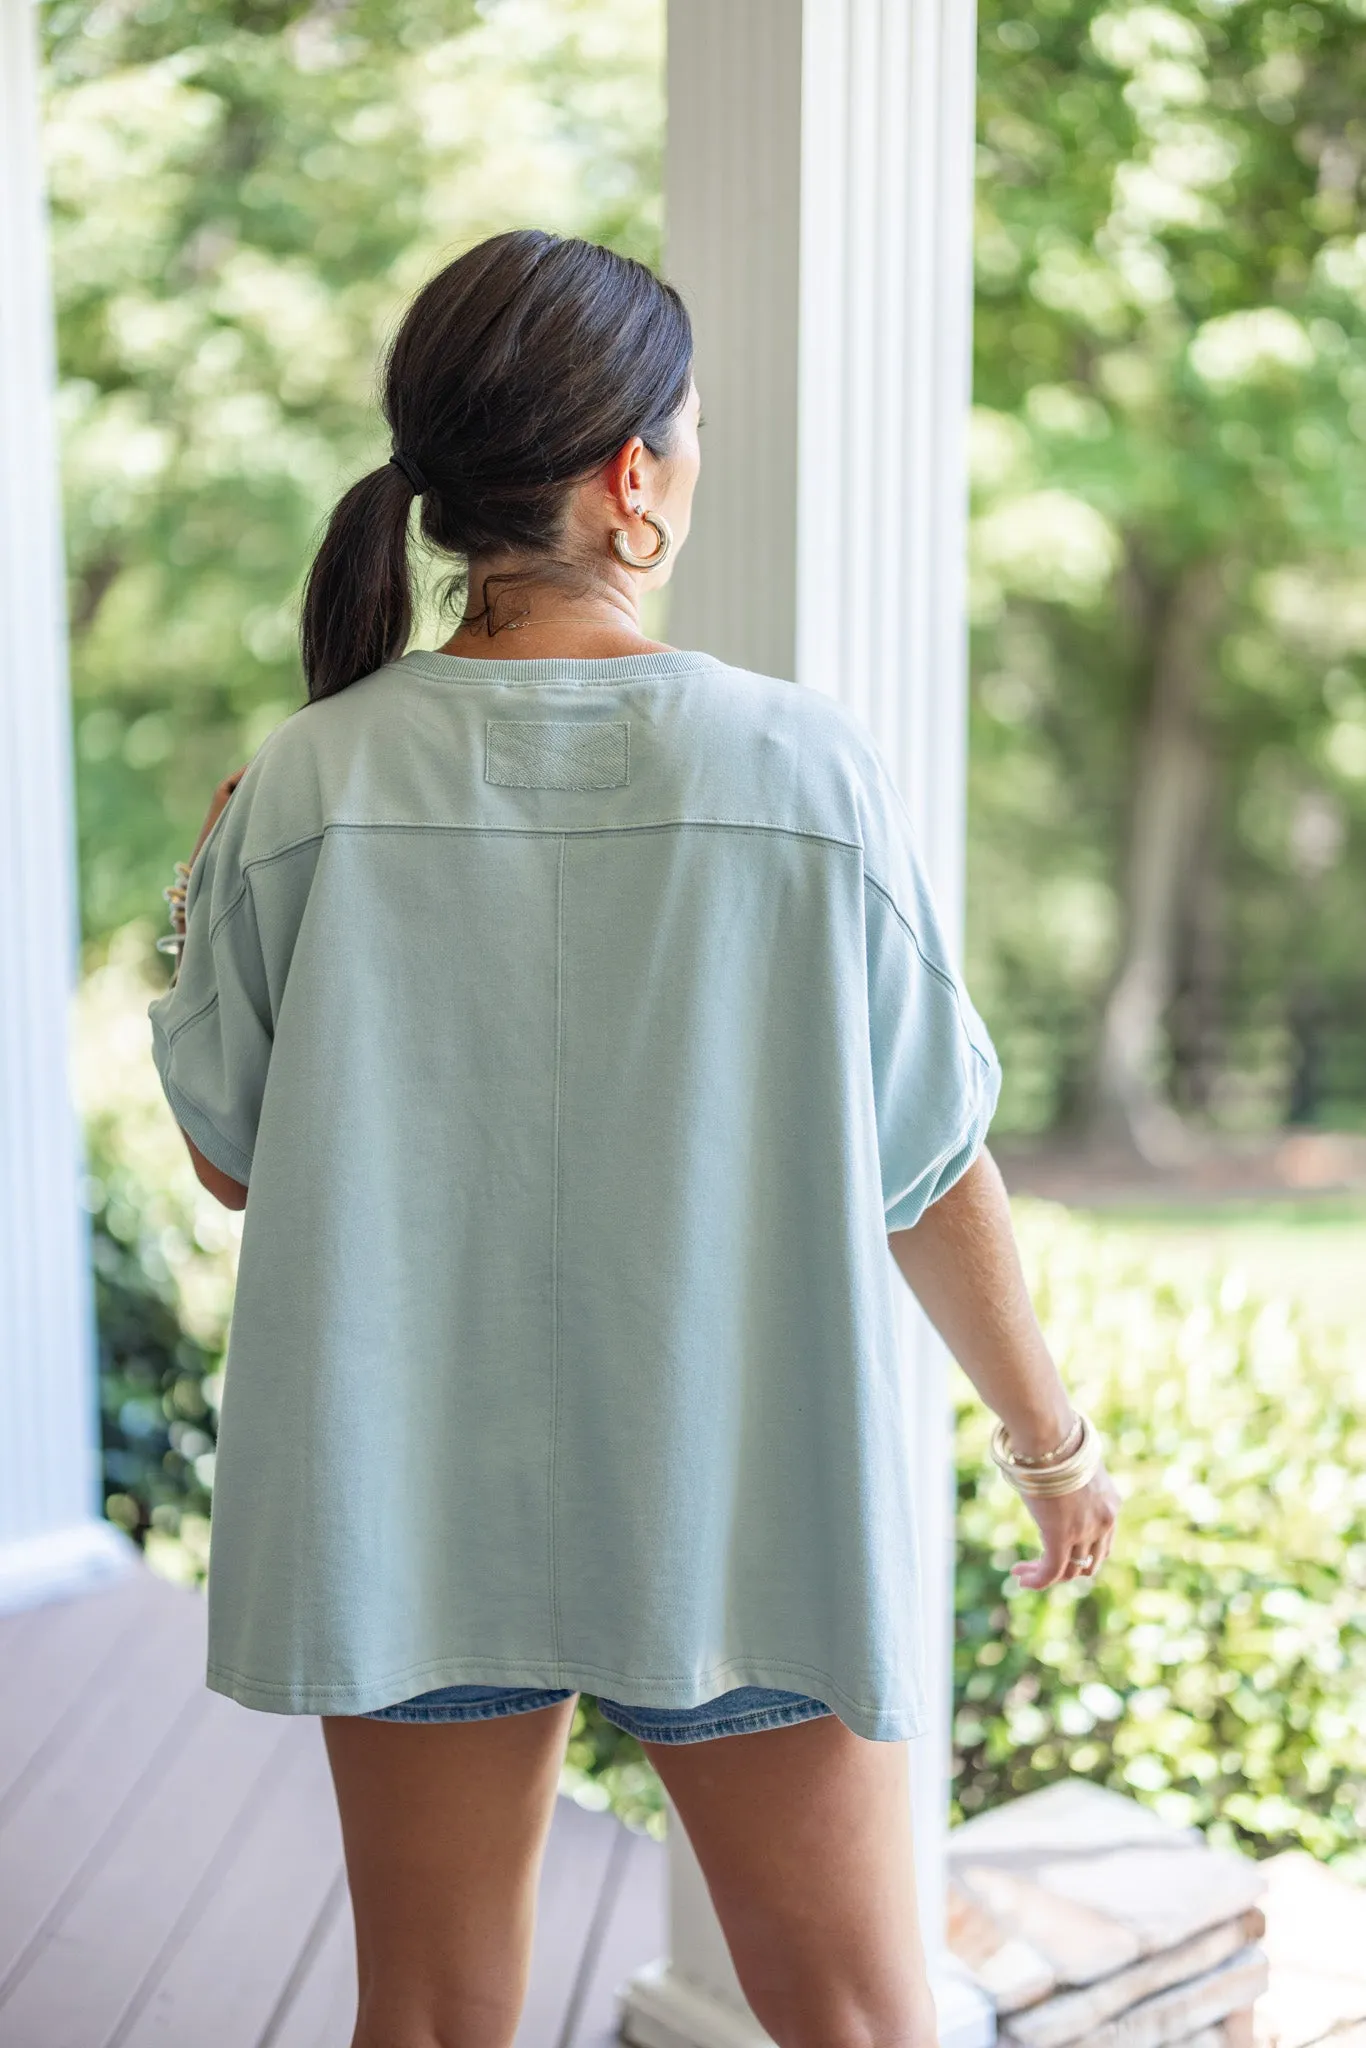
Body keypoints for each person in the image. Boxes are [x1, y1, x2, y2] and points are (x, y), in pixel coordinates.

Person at [149, 228, 1118, 2048]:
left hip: (408, 1501)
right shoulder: (804, 771)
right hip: (738, 1494)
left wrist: (205, 897)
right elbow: (928, 1161)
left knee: (429, 2018)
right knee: (854, 2017)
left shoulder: (304, 782)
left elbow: (235, 1156)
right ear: (630, 477)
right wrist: (1046, 1441)